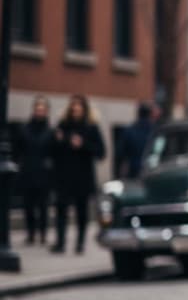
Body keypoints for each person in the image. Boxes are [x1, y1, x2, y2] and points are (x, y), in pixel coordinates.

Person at [51, 94, 107, 254]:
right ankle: (60, 243)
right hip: (63, 176)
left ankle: (80, 244)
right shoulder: (62, 126)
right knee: (61, 209)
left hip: (83, 177)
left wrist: (83, 145)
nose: (75, 109)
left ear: (84, 109)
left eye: (79, 107)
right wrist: (59, 140)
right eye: (73, 107)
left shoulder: (91, 128)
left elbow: (101, 152)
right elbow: (53, 151)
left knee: (81, 212)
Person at [17, 96, 55, 245]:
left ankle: (43, 234)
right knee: (28, 206)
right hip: (27, 172)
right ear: (34, 110)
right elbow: (18, 150)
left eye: (43, 109)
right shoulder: (24, 129)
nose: (40, 112)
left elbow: (54, 153)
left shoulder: (51, 132)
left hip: (44, 174)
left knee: (43, 206)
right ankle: (31, 233)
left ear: (46, 112)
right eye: (38, 109)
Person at [115, 102, 158, 179]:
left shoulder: (129, 130)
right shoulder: (155, 131)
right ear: (150, 115)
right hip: (152, 171)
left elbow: (120, 153)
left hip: (133, 170)